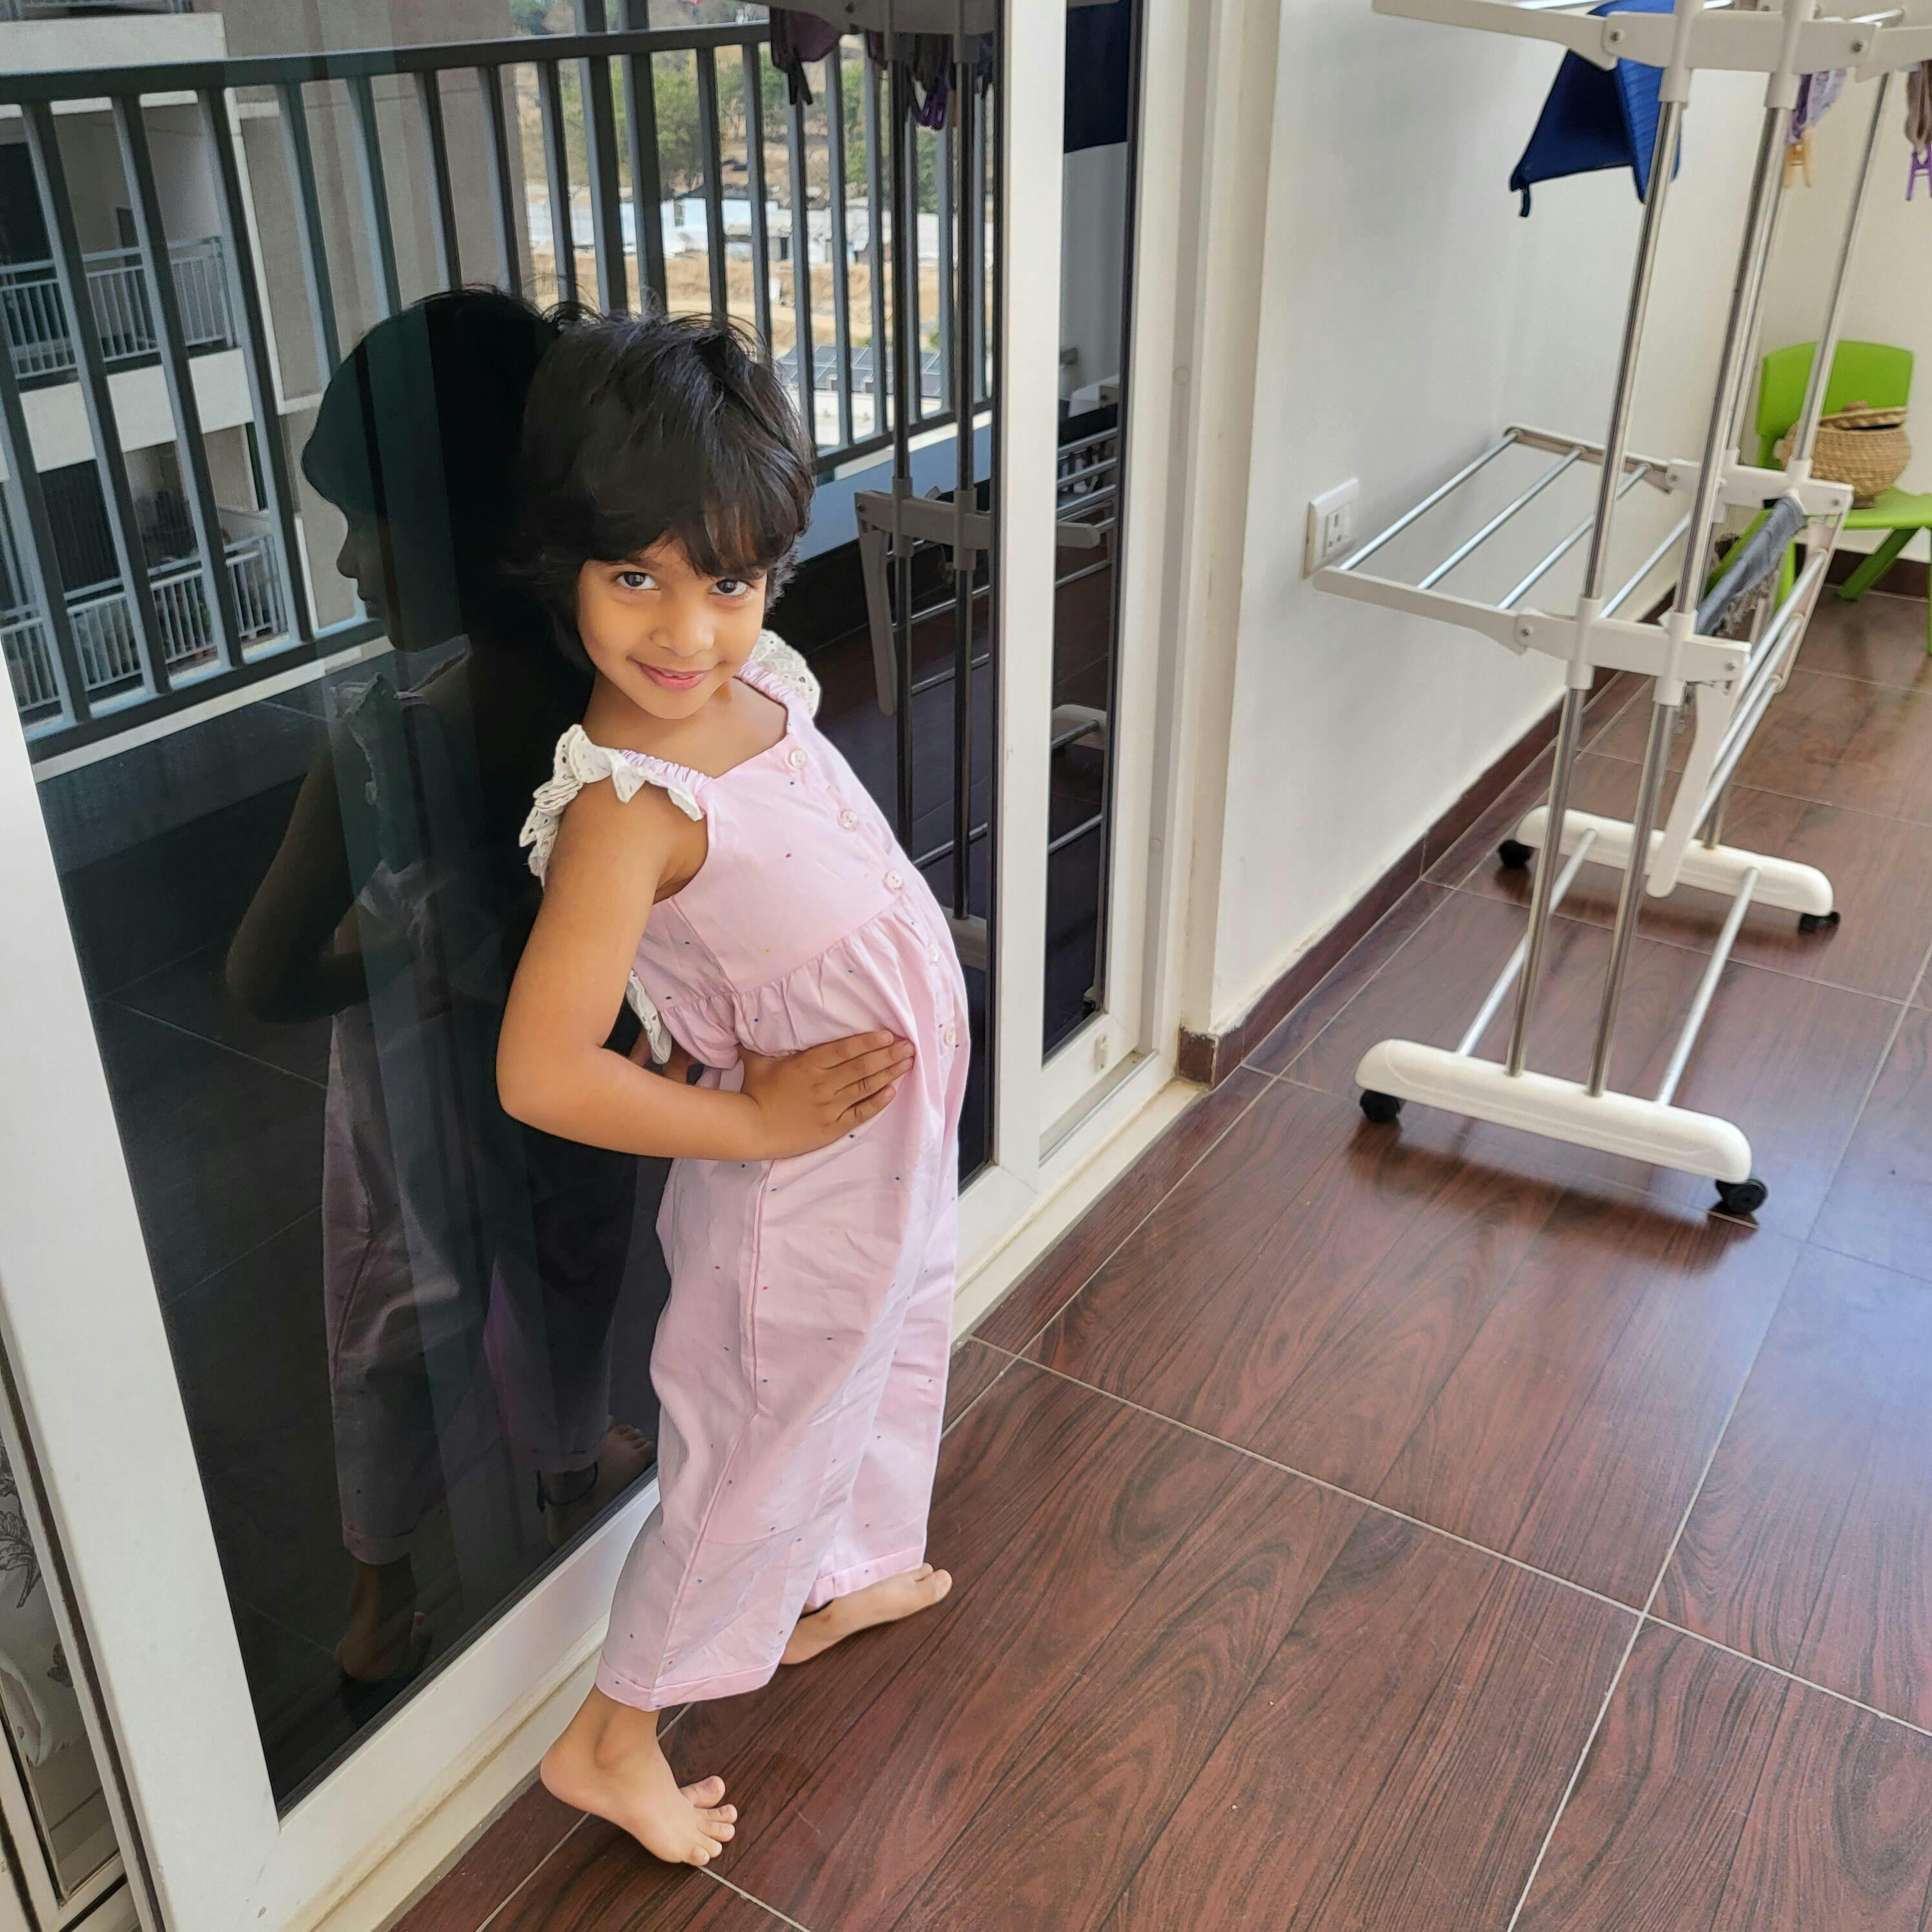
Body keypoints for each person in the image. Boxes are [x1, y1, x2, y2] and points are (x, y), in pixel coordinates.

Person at [497, 313, 969, 1865]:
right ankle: (613, 1731)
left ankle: (845, 1566)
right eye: (634, 578)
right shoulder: (624, 805)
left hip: (881, 1140)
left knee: (894, 1333)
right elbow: (540, 1066)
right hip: (794, 1178)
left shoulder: (754, 674)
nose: (687, 631)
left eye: (727, 580)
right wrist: (751, 1117)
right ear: (564, 566)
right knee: (757, 1430)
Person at [225, 291, 657, 1696]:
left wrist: (401, 961)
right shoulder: (617, 720)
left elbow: (259, 973)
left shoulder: (383, 743)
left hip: (411, 1111)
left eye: (370, 522)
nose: (349, 559)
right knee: (569, 1276)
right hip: (572, 1106)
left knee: (390, 1321)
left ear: (463, 521)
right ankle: (569, 1469)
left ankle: (379, 1590)